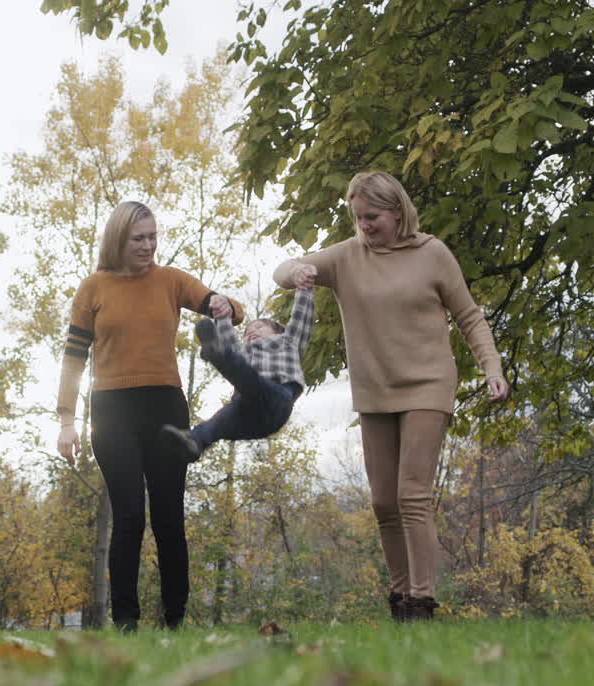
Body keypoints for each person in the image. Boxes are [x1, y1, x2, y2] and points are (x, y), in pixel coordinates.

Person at [272, 171, 510, 622]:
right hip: (375, 390)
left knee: (412, 495)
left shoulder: (433, 254)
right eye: (358, 217)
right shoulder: (346, 258)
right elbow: (282, 271)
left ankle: (421, 602)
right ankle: (399, 599)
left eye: (373, 217)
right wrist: (298, 271)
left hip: (428, 384)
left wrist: (491, 368)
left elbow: (470, 316)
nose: (364, 226)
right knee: (383, 502)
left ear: (397, 211)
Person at [55, 200, 244, 632]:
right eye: (139, 238)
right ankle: (125, 620)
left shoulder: (171, 281)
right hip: (112, 409)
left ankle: (174, 620)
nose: (148, 246)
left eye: (153, 237)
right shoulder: (93, 289)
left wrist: (219, 303)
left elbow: (229, 306)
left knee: (168, 516)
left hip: (164, 407)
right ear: (118, 240)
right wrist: (67, 420)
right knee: (128, 515)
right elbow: (72, 358)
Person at [158, 285, 316, 462]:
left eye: (259, 327)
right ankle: (194, 442)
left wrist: (304, 287)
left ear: (278, 331)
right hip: (251, 418)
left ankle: (218, 354)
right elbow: (228, 335)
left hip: (277, 399)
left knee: (247, 375)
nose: (251, 332)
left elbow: (302, 317)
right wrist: (221, 315)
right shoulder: (244, 350)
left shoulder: (288, 340)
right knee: (220, 421)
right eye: (248, 332)